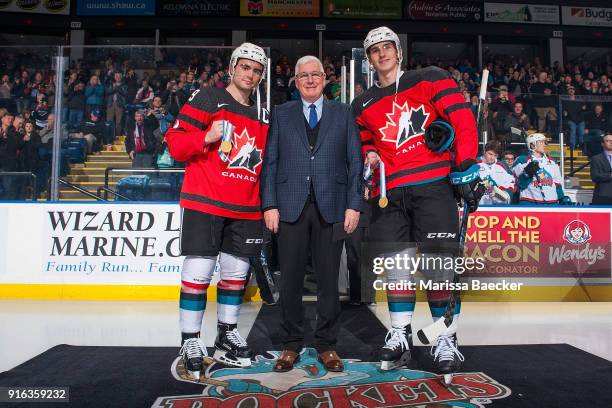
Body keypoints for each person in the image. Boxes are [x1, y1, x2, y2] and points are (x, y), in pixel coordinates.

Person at [350, 27, 483, 376]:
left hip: (434, 186)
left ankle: (445, 338)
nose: (382, 54)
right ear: (368, 58)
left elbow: (462, 119)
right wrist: (370, 156)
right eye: (374, 50)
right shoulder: (361, 103)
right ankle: (399, 333)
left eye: (387, 47)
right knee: (397, 268)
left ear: (398, 51)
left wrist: (466, 163)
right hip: (389, 193)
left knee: (439, 267)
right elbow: (365, 142)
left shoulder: (430, 79)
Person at [165, 43, 269, 379]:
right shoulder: (208, 98)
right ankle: (191, 340)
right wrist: (206, 135)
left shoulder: (264, 114)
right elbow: (175, 144)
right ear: (232, 68)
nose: (249, 74)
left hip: (246, 207)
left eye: (256, 70)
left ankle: (227, 332)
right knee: (198, 272)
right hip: (205, 201)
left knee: (235, 276)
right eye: (245, 67)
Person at [260, 55, 362, 373]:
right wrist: (269, 204)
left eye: (315, 74)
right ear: (295, 79)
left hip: (332, 207)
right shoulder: (281, 113)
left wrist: (354, 204)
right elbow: (271, 161)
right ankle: (291, 344)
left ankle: (327, 345)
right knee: (289, 279)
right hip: (289, 206)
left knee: (329, 281)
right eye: (303, 75)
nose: (309, 80)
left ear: (324, 77)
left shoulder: (344, 113)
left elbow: (355, 162)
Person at [513, 133, 571, 205]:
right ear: (532, 145)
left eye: (544, 142)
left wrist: (561, 198)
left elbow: (557, 184)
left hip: (552, 203)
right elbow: (519, 185)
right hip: (530, 203)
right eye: (541, 142)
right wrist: (527, 174)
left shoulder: (552, 162)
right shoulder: (522, 160)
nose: (544, 145)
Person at [478, 140, 515, 205]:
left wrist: (499, 195)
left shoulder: (503, 166)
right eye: (490, 154)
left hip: (496, 208)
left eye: (495, 155)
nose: (492, 158)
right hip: (478, 207)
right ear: (484, 151)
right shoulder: (475, 163)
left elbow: (510, 185)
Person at [590, 134, 612, 205]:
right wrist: (610, 176)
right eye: (608, 141)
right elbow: (595, 176)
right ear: (602, 144)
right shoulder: (596, 159)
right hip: (603, 196)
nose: (611, 142)